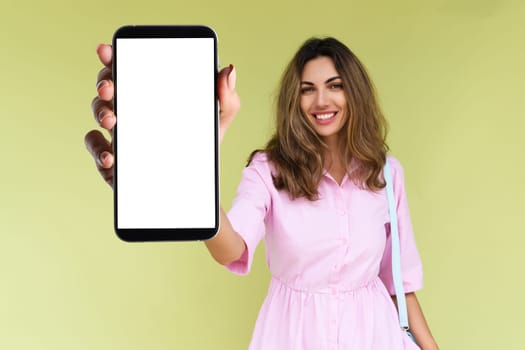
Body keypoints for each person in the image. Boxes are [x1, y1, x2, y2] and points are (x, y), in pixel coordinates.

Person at [86, 37, 439, 350]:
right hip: (292, 336)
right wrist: (191, 185)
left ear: (354, 93)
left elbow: (400, 283)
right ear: (293, 99)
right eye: (307, 89)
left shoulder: (387, 174)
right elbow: (231, 248)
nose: (321, 100)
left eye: (335, 85)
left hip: (375, 336)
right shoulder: (269, 170)